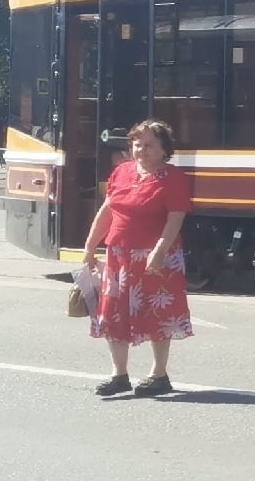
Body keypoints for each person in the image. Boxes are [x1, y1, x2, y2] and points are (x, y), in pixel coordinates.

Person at [82, 119, 194, 398]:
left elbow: (175, 217)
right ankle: (119, 375)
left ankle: (159, 374)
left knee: (157, 313)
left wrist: (159, 250)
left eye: (149, 145)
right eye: (137, 144)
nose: (141, 150)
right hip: (118, 254)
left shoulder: (173, 178)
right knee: (113, 312)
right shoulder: (122, 172)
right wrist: (90, 245)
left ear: (163, 149)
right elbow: (107, 210)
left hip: (155, 256)